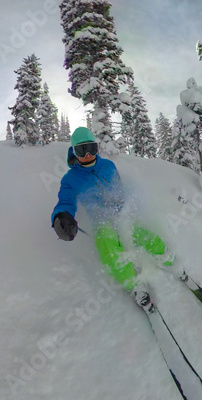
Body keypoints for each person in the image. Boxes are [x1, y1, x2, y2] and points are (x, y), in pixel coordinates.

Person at [51, 127, 173, 305]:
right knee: (107, 245)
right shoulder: (71, 179)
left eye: (91, 149)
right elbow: (66, 201)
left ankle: (169, 259)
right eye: (81, 150)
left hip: (121, 214)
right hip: (100, 220)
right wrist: (62, 216)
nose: (87, 155)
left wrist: (125, 209)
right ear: (74, 152)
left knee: (142, 235)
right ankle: (134, 285)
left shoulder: (108, 166)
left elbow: (120, 190)